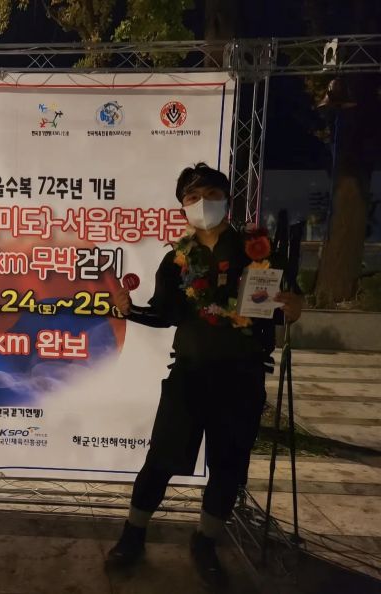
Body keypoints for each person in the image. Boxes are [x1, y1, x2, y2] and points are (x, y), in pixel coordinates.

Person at [106, 163, 303, 585]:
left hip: (242, 377)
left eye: (211, 195)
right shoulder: (175, 261)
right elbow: (165, 315)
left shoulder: (258, 251)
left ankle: (205, 542)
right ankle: (133, 535)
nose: (202, 204)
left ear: (227, 199)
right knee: (160, 460)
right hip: (189, 377)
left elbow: (288, 301)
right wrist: (130, 310)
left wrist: (294, 307)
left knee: (228, 466)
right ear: (182, 207)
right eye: (192, 198)